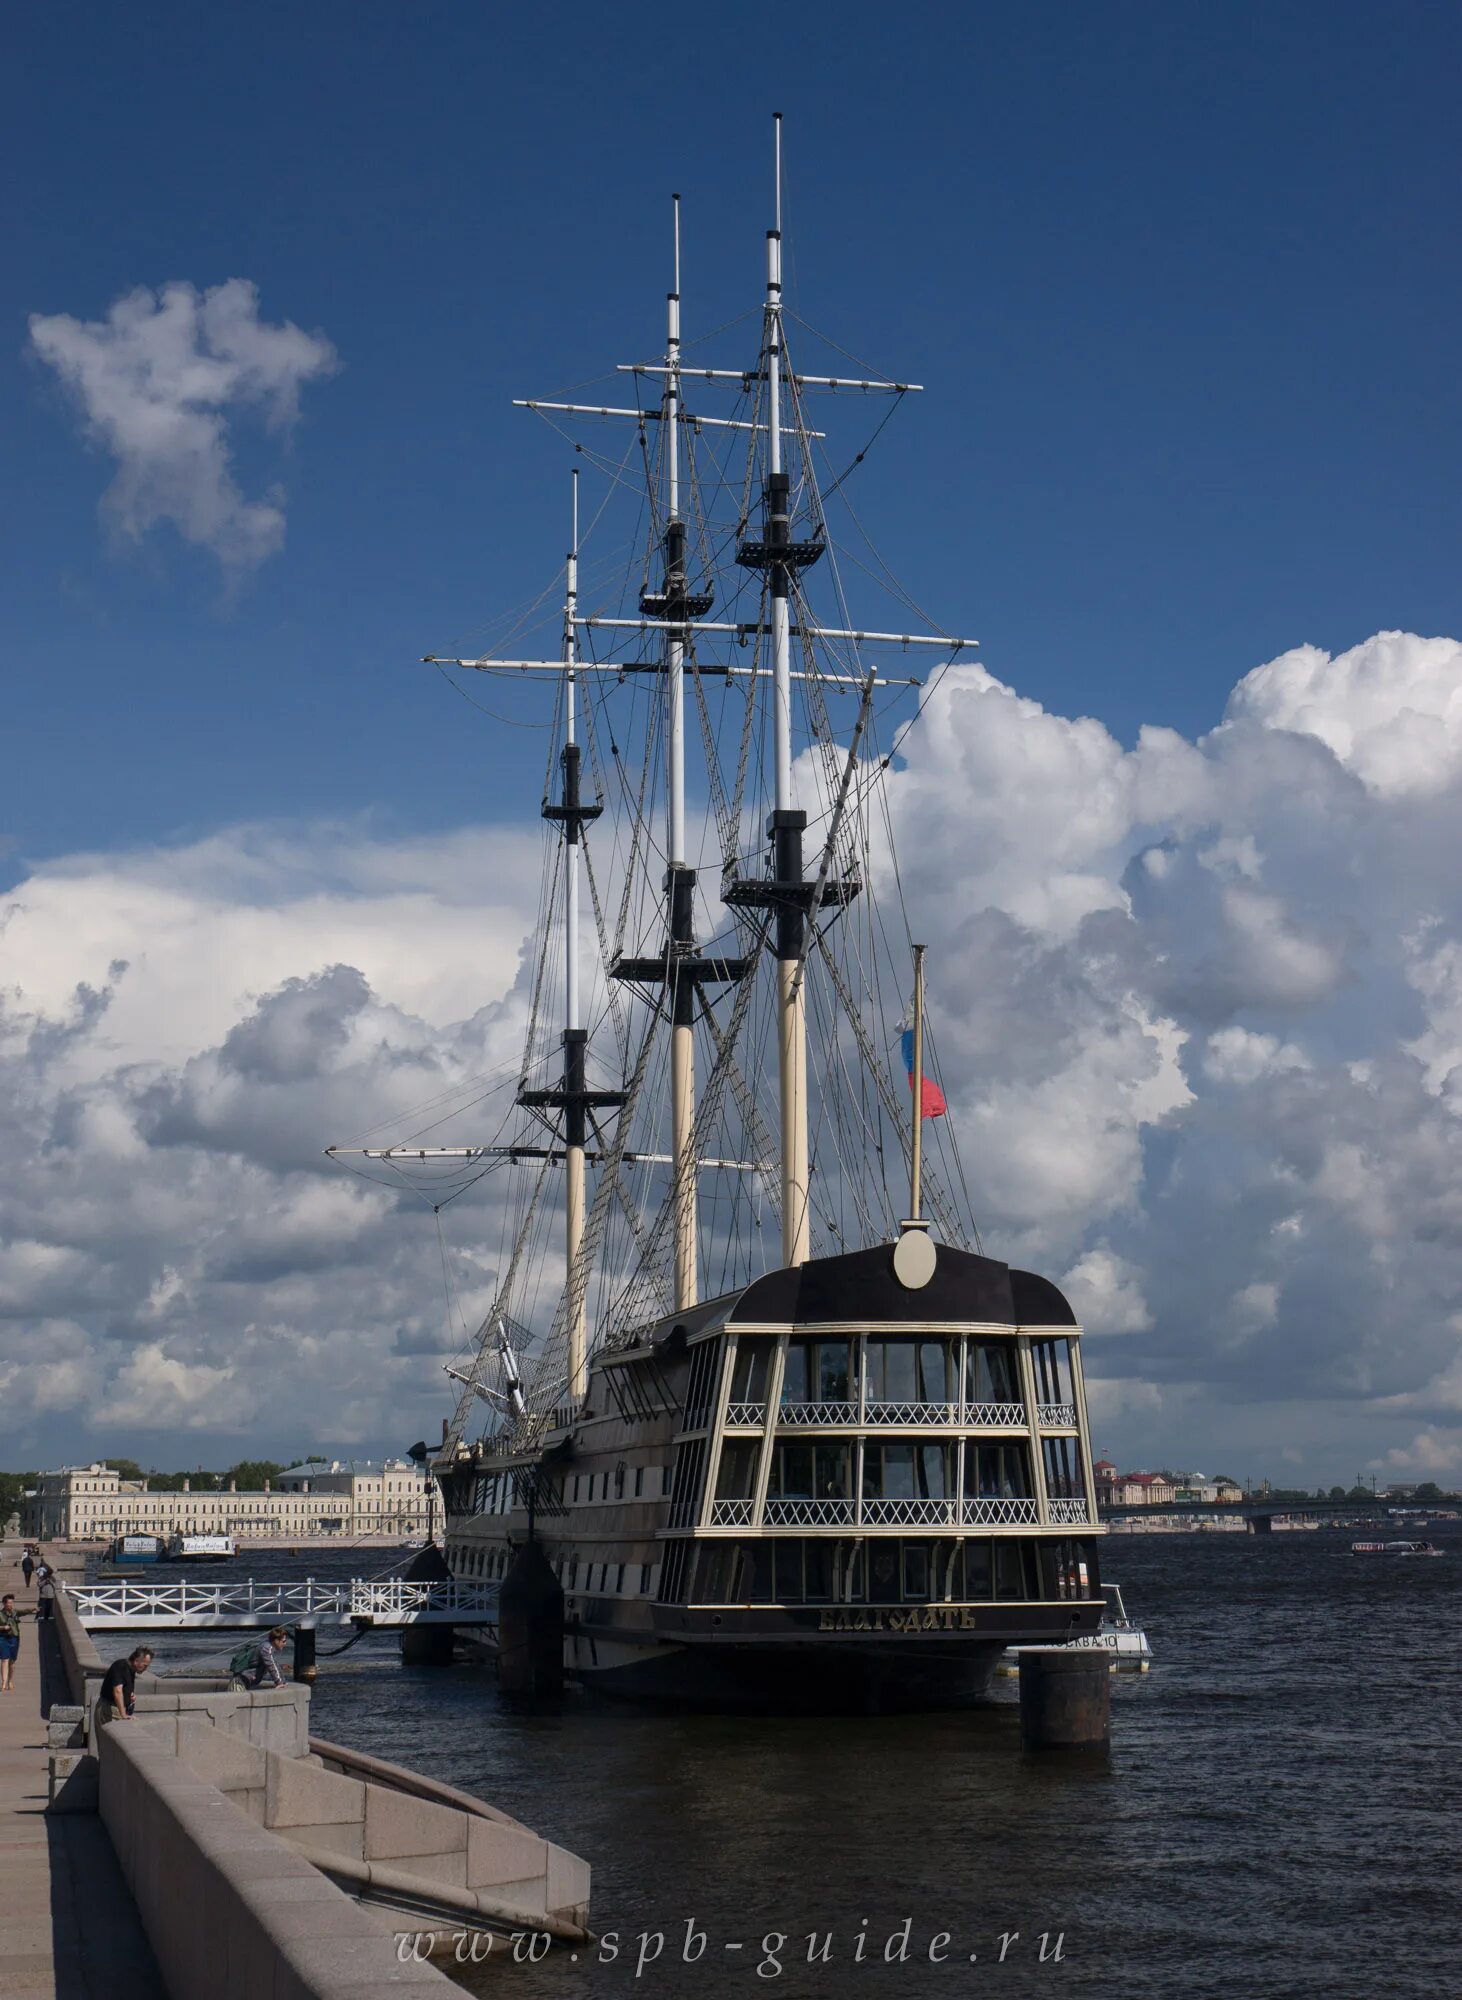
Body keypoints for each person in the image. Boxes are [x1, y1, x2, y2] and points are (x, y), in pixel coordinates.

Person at [96, 1645, 154, 1727]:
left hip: (116, 1709)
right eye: (145, 1665)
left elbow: (123, 1688)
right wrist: (123, 1715)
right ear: (136, 1661)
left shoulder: (130, 1669)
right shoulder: (121, 1667)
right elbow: (117, 1692)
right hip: (111, 1710)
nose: (146, 1669)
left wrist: (130, 1696)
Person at [0, 1593, 23, 1694]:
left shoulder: (14, 1612)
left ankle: (10, 1680)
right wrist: (2, 1628)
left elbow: (24, 1611)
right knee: (4, 1660)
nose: (11, 1604)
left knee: (12, 1662)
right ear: (4, 1604)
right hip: (2, 1638)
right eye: (9, 1603)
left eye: (12, 1603)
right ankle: (3, 1683)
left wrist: (33, 1610)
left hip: (14, 1638)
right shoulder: (0, 1614)